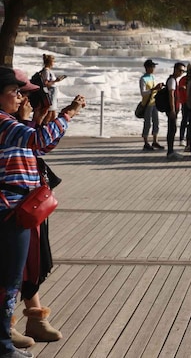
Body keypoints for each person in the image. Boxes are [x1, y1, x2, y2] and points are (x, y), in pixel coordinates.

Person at [0, 67, 86, 357]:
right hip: (9, 208)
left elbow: (42, 144)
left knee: (14, 275)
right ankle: (3, 344)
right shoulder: (2, 122)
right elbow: (38, 140)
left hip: (21, 207)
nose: (21, 97)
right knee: (9, 279)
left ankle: (12, 334)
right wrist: (68, 115)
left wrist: (30, 120)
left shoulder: (11, 121)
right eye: (15, 93)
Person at [139, 59, 163, 151]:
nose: (154, 68)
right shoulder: (143, 79)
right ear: (147, 68)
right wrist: (153, 89)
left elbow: (154, 89)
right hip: (147, 103)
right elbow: (143, 93)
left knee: (156, 122)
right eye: (152, 67)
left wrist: (158, 89)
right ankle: (145, 142)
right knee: (147, 123)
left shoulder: (152, 77)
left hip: (154, 102)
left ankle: (155, 140)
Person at [164, 62, 186, 159]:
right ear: (175, 70)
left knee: (173, 129)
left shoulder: (174, 80)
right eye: (180, 70)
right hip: (172, 109)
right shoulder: (172, 80)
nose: (182, 72)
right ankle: (170, 151)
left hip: (174, 108)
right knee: (172, 129)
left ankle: (171, 150)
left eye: (183, 71)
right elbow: (171, 95)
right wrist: (172, 109)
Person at [35, 55, 65, 123]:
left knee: (52, 114)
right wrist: (56, 81)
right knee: (49, 114)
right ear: (49, 62)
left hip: (52, 94)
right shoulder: (46, 71)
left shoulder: (48, 71)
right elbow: (45, 84)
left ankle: (48, 128)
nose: (54, 63)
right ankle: (44, 127)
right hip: (50, 94)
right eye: (53, 61)